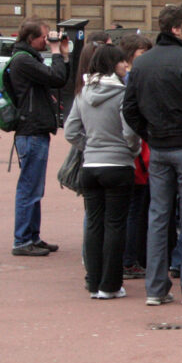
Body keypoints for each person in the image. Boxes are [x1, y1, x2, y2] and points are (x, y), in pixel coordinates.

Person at [123, 5, 182, 306]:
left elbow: (130, 108)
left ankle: (156, 288)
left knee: (158, 217)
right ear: (176, 29)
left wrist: (149, 134)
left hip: (161, 146)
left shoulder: (142, 63)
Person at [64, 45, 141, 299]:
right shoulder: (122, 93)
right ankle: (110, 284)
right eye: (121, 62)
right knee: (115, 225)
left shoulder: (83, 92)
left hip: (91, 165)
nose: (125, 66)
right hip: (118, 164)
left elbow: (71, 130)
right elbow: (129, 132)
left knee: (95, 225)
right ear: (113, 65)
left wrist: (90, 147)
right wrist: (132, 150)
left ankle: (93, 281)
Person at [9, 16, 69, 256]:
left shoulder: (29, 58)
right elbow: (55, 78)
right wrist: (56, 53)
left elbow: (60, 79)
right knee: (29, 187)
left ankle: (32, 236)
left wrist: (63, 55)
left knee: (35, 187)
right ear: (31, 38)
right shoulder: (23, 60)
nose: (47, 40)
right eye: (44, 37)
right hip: (30, 131)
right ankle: (22, 240)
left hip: (35, 131)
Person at [118, 32, 154, 281]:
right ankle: (129, 260)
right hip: (136, 157)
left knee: (135, 210)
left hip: (137, 156)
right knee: (133, 210)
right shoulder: (132, 82)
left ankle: (131, 257)